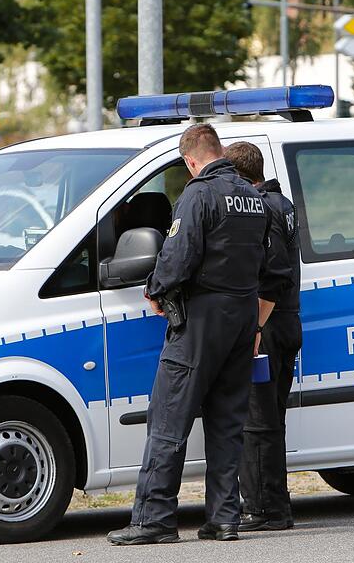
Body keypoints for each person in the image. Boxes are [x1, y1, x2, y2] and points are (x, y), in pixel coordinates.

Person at [107, 123, 269, 546]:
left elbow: (177, 257)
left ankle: (155, 519)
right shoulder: (255, 199)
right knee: (227, 422)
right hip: (241, 317)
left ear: (190, 161)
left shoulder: (198, 195)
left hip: (199, 320)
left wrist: (155, 289)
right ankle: (223, 519)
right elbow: (267, 267)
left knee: (168, 418)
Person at [224, 141, 302, 532]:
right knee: (270, 420)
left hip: (267, 327)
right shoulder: (282, 203)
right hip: (284, 322)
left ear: (239, 177)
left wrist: (254, 327)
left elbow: (273, 273)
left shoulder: (264, 208)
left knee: (257, 422)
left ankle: (263, 509)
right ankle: (275, 506)